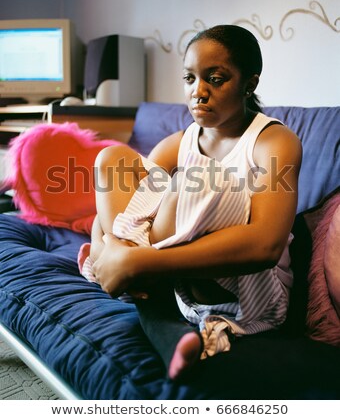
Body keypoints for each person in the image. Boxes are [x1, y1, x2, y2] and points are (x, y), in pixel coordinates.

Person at [78, 25, 302, 380]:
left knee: (197, 181)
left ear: (249, 84)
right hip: (173, 278)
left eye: (215, 79)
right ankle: (136, 280)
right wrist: (110, 244)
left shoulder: (272, 141)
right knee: (113, 159)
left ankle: (139, 278)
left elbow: (266, 245)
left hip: (245, 292)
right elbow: (132, 209)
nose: (198, 92)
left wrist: (141, 261)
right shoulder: (179, 143)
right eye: (190, 78)